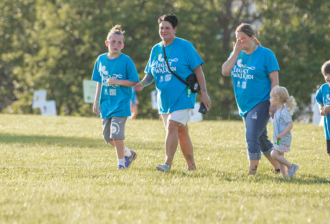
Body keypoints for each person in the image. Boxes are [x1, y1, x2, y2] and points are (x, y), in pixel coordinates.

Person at [134, 14, 212, 173]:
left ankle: (167, 164)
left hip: (184, 95)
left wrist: (204, 94)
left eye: (167, 28)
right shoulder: (156, 49)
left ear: (175, 29)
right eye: (161, 28)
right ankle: (192, 167)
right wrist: (142, 83)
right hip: (165, 100)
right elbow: (150, 75)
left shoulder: (185, 46)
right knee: (181, 132)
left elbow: (198, 70)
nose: (163, 31)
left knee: (172, 125)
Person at [222, 23, 281, 175]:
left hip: (262, 102)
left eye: (243, 38)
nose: (240, 41)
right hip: (244, 105)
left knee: (251, 135)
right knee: (261, 139)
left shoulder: (267, 54)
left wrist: (273, 103)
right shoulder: (236, 53)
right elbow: (225, 71)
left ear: (252, 38)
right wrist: (235, 53)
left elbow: (275, 80)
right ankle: (281, 167)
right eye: (237, 39)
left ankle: (252, 172)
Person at [92, 25, 141, 169]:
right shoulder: (100, 60)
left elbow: (134, 81)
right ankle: (128, 153)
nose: (116, 45)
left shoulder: (126, 61)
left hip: (121, 103)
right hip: (106, 103)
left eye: (119, 43)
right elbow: (99, 82)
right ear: (107, 43)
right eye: (113, 42)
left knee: (117, 134)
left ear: (123, 45)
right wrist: (96, 101)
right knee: (107, 137)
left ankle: (122, 165)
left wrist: (118, 81)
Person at [270, 85, 299, 178]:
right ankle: (284, 176)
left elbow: (290, 125)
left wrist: (281, 135)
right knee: (280, 158)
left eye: (271, 97)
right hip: (278, 138)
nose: (269, 99)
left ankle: (291, 166)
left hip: (283, 138)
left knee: (274, 154)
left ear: (277, 100)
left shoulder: (284, 112)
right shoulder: (277, 110)